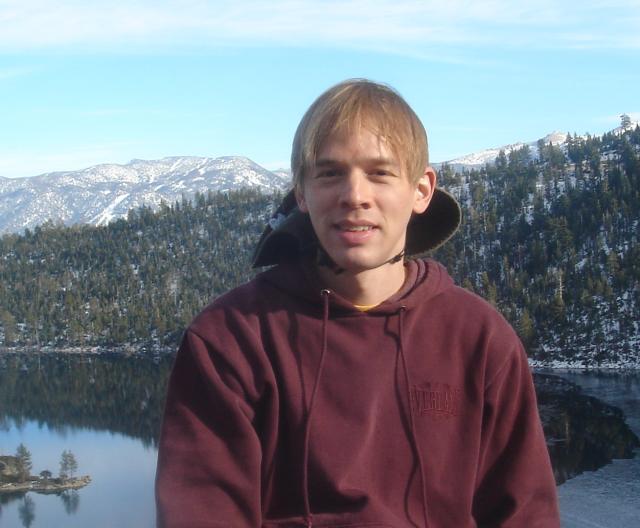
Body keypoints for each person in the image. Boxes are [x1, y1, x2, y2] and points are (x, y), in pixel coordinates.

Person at [155, 79, 560, 527]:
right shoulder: (231, 338)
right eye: (329, 173)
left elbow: (525, 512)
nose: (354, 195)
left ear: (422, 190)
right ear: (302, 193)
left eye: (380, 173)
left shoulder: (479, 339)